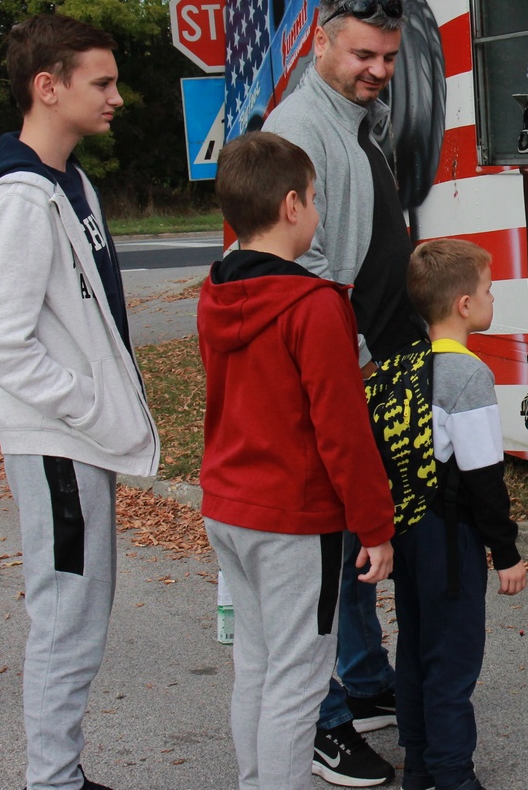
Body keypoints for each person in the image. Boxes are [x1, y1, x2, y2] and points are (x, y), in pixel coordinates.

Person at [0, 14, 159, 790]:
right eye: (101, 83)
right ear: (48, 87)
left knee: (77, 610)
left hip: (72, 439)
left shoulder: (70, 182)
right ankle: (52, 781)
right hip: (57, 444)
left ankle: (58, 775)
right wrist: (87, 405)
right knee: (66, 615)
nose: (116, 97)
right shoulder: (21, 199)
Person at [197, 131, 396, 789]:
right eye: (314, 198)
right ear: (291, 206)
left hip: (228, 506)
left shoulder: (216, 292)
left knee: (257, 667)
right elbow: (343, 431)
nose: (316, 209)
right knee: (297, 678)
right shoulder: (315, 306)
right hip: (292, 518)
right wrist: (374, 526)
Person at [264, 0, 422, 786]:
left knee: (355, 538)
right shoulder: (298, 129)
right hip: (338, 369)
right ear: (320, 42)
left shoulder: (354, 118)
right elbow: (304, 266)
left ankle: (362, 681)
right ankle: (324, 724)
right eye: (363, 54)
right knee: (326, 555)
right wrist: (348, 363)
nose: (378, 70)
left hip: (372, 359)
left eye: (388, 57)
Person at [379, 237, 528, 790]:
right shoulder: (469, 375)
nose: (492, 298)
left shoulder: (404, 365)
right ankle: (452, 774)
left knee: (417, 651)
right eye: (488, 290)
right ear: (464, 305)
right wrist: (506, 552)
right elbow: (484, 479)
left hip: (408, 532)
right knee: (454, 659)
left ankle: (419, 766)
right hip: (450, 540)